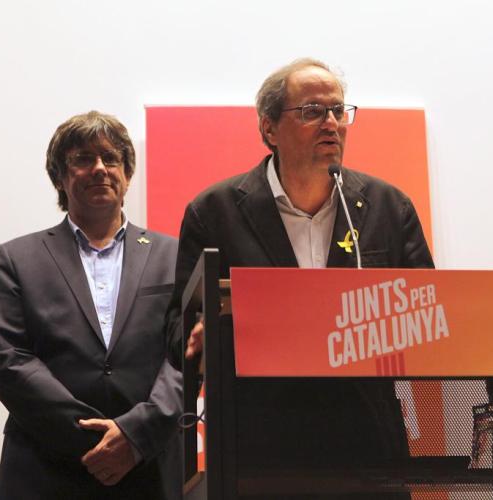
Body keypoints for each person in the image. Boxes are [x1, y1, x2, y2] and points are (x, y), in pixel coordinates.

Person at [167, 59, 434, 498]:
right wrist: (201, 336)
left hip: (369, 447)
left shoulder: (389, 207)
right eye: (312, 111)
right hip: (260, 448)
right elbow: (177, 331)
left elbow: (428, 316)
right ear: (269, 128)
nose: (331, 123)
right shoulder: (214, 212)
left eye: (338, 110)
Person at [0, 111, 182, 499]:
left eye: (111, 158)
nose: (99, 169)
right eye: (83, 159)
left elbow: (185, 359)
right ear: (60, 176)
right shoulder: (17, 258)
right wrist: (97, 439)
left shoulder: (173, 255)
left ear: (127, 174)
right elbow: (8, 360)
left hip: (148, 468)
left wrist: (134, 436)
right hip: (44, 467)